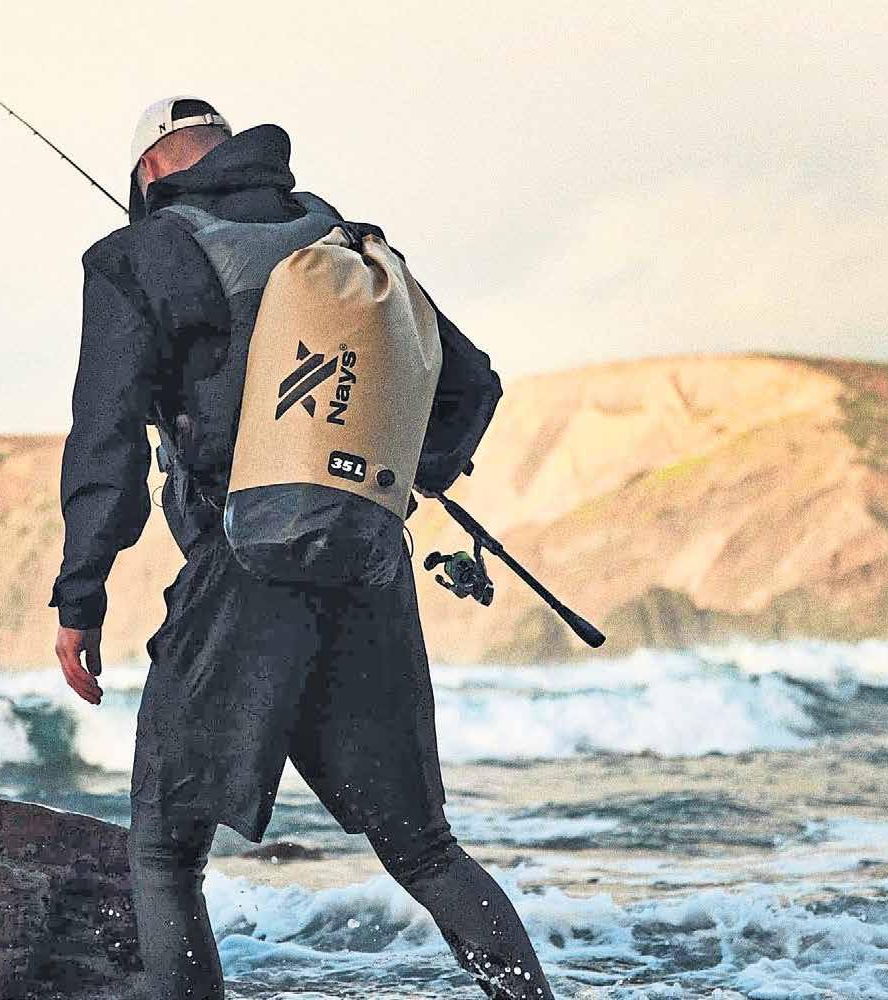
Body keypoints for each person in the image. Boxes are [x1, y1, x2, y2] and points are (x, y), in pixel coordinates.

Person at [50, 96, 555, 1000]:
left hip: (242, 573)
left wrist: (81, 595)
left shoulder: (137, 255)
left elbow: (107, 439)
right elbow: (471, 384)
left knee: (165, 852)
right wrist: (397, 477)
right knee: (424, 848)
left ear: (151, 173)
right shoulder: (343, 244)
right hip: (367, 564)